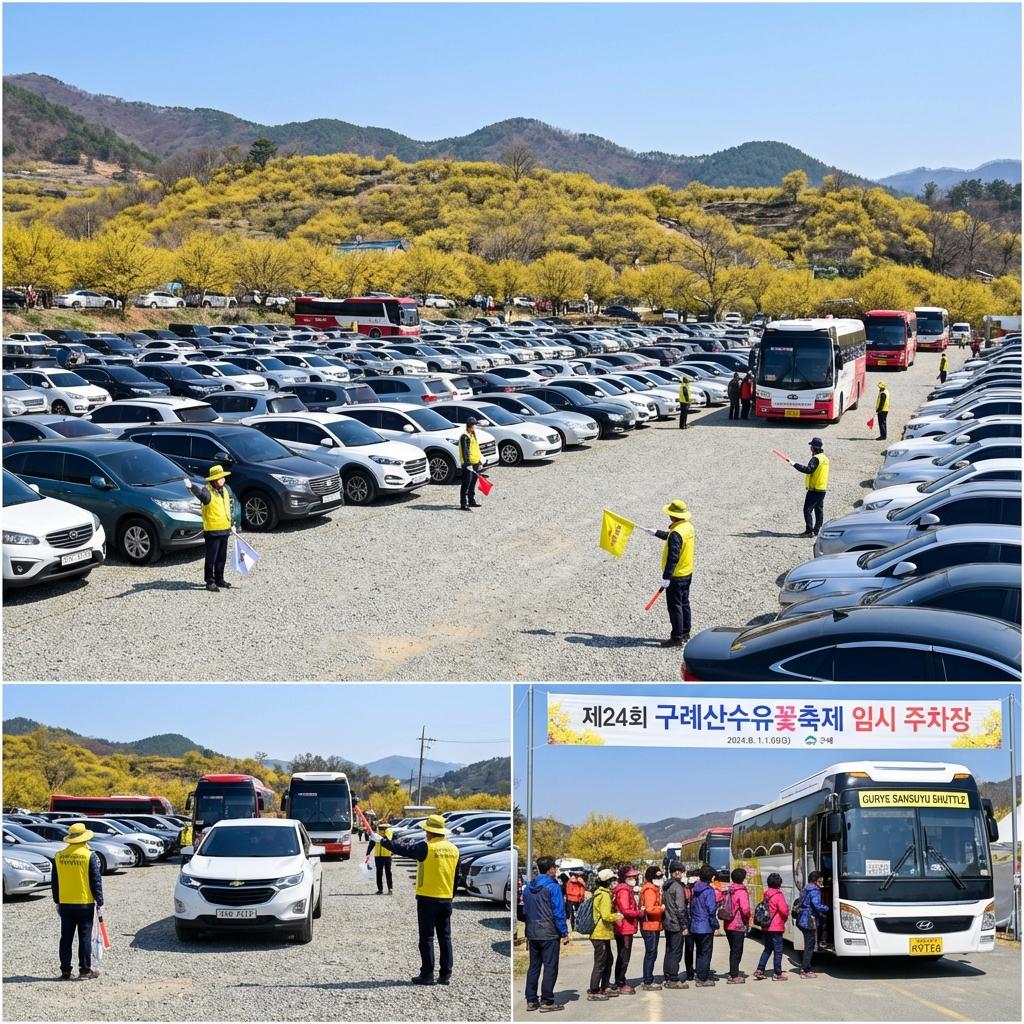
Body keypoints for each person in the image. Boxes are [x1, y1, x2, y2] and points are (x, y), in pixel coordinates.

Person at [369, 814, 459, 985]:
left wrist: (382, 841)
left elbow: (403, 849)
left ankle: (427, 974)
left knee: (427, 938)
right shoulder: (454, 849)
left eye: (426, 831)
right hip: (446, 899)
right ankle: (445, 974)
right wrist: (451, 895)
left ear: (430, 832)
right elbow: (457, 876)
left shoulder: (427, 847)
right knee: (445, 937)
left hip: (427, 898)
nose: (425, 833)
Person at [51, 822, 104, 980]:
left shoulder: (59, 856)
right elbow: (95, 880)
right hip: (84, 902)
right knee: (84, 937)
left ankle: (65, 970)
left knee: (66, 938)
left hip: (65, 903)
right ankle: (85, 970)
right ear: (85, 838)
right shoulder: (89, 855)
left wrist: (57, 900)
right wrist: (100, 901)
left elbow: (55, 882)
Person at [642, 499, 696, 648]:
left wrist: (666, 577)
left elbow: (673, 556)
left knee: (675, 606)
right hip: (687, 572)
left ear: (673, 515)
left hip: (676, 576)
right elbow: (673, 537)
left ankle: (676, 638)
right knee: (684, 602)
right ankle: (685, 632)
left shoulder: (676, 533)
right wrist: (656, 533)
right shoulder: (687, 527)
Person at [523, 856, 570, 1012]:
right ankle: (547, 1001)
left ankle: (531, 1000)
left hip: (532, 931)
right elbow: (558, 912)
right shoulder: (553, 887)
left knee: (534, 966)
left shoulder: (528, 887)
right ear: (550, 869)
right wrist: (564, 932)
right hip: (549, 932)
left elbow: (525, 910)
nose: (556, 870)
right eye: (555, 867)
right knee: (550, 967)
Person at [185, 465, 241, 592]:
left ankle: (219, 579)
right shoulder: (207, 492)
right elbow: (200, 494)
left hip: (225, 530)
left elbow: (228, 507)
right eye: (219, 478)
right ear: (213, 480)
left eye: (223, 478)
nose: (222, 480)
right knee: (212, 558)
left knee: (222, 557)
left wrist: (232, 523)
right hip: (213, 531)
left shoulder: (225, 490)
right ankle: (210, 581)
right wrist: (191, 487)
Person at [587, 868, 622, 1001]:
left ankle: (604, 986)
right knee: (601, 962)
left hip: (602, 933)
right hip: (600, 933)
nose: (614, 882)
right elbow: (606, 915)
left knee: (608, 960)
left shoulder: (599, 893)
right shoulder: (604, 895)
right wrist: (617, 916)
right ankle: (594, 990)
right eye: (613, 880)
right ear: (608, 881)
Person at [610, 866, 643, 994]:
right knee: (624, 956)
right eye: (630, 877)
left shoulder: (625, 889)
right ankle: (620, 982)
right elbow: (626, 910)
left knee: (623, 955)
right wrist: (640, 913)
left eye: (634, 877)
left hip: (625, 926)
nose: (633, 879)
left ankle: (620, 980)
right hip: (624, 927)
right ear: (624, 878)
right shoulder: (624, 891)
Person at [753, 872, 789, 981]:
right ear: (779, 884)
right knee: (778, 950)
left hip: (766, 926)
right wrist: (786, 916)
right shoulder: (778, 895)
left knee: (767, 949)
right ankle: (778, 973)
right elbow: (784, 911)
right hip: (776, 927)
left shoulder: (766, 894)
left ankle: (760, 970)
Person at [661, 861, 690, 989]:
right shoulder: (677, 887)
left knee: (669, 950)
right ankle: (673, 978)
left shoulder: (666, 886)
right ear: (677, 872)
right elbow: (680, 908)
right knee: (676, 951)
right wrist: (684, 926)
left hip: (667, 922)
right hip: (676, 923)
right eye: (681, 871)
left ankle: (667, 974)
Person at [792, 437, 829, 538]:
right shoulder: (825, 458)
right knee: (819, 509)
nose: (810, 448)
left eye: (811, 446)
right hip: (822, 488)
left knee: (807, 509)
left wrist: (795, 464)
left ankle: (809, 531)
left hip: (814, 489)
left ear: (815, 447)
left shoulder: (816, 458)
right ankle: (816, 530)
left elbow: (808, 470)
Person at [689, 865, 719, 987]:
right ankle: (702, 978)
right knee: (706, 952)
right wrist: (715, 924)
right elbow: (711, 909)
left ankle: (699, 973)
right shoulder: (709, 891)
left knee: (700, 951)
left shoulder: (695, 889)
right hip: (705, 926)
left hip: (695, 925)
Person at [795, 871, 828, 978]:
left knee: (808, 945)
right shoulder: (814, 890)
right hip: (809, 921)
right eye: (820, 880)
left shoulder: (805, 888)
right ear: (817, 880)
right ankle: (805, 970)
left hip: (802, 919)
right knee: (809, 946)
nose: (821, 882)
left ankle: (806, 967)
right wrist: (828, 908)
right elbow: (816, 905)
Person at [724, 867, 752, 983]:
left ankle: (733, 972)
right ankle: (734, 975)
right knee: (737, 951)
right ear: (743, 878)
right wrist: (748, 918)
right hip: (738, 925)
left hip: (727, 923)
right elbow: (745, 909)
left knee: (733, 950)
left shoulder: (729, 890)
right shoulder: (741, 891)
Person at [639, 865, 665, 990]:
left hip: (653, 925)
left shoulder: (653, 888)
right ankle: (648, 980)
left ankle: (648, 978)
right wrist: (662, 909)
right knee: (651, 953)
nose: (660, 879)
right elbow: (650, 909)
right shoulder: (650, 890)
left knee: (652, 953)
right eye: (658, 877)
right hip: (650, 925)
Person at [458, 417, 484, 512]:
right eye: (474, 425)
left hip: (475, 462)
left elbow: (476, 449)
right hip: (468, 464)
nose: (475, 427)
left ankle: (471, 501)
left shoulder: (473, 435)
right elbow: (465, 451)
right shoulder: (464, 437)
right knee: (466, 484)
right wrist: (467, 464)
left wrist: (479, 462)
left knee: (472, 483)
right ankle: (463, 503)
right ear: (470, 426)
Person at [364, 818, 394, 895]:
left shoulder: (389, 831)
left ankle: (390, 889)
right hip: (378, 856)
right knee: (379, 873)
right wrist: (368, 853)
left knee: (388, 872)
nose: (379, 827)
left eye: (381, 825)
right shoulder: (377, 833)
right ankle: (380, 889)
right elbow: (371, 844)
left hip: (387, 855)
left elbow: (389, 840)